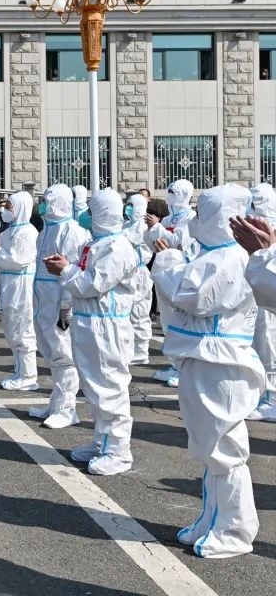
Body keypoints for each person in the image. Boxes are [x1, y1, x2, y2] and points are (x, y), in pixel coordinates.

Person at [157, 184, 263, 557]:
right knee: (208, 447)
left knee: (225, 448)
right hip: (204, 357)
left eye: (204, 213)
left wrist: (169, 261)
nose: (196, 219)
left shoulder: (233, 257)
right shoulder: (214, 254)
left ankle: (234, 529)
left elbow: (194, 296)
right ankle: (213, 518)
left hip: (221, 360)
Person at [46, 189, 138, 476]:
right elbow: (84, 277)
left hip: (106, 325)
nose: (83, 213)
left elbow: (92, 284)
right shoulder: (96, 243)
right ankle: (102, 441)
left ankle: (118, 451)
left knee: (109, 387)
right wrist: (68, 267)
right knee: (95, 388)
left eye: (89, 209)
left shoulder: (117, 246)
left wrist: (64, 271)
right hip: (88, 322)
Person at [29, 184, 89, 428]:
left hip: (59, 301)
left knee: (64, 355)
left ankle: (67, 408)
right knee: (51, 352)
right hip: (43, 300)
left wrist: (66, 306)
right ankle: (56, 401)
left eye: (46, 200)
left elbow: (72, 270)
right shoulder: (45, 231)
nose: (43, 204)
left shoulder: (72, 231)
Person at [0, 191, 39, 391]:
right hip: (8, 284)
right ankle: (19, 370)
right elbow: (1, 261)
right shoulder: (7, 233)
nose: (6, 211)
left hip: (22, 286)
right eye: (6, 207)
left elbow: (18, 259)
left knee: (23, 330)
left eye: (9, 207)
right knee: (11, 329)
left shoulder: (28, 232)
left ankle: (28, 375)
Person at [145, 178, 198, 388]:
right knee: (166, 320)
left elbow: (181, 243)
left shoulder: (190, 217)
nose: (169, 195)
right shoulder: (169, 219)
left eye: (173, 192)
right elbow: (156, 242)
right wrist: (153, 232)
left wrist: (158, 229)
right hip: (162, 272)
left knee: (180, 320)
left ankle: (184, 367)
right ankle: (174, 363)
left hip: (180, 273)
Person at [245, 183, 276, 422]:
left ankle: (272, 399)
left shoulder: (270, 229)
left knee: (269, 346)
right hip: (259, 297)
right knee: (260, 345)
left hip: (269, 300)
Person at [123, 193, 154, 366]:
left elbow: (128, 241)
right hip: (127, 273)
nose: (127, 208)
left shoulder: (142, 228)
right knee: (127, 311)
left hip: (140, 273)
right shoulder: (126, 225)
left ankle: (141, 350)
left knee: (140, 311)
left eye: (131, 205)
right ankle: (131, 347)